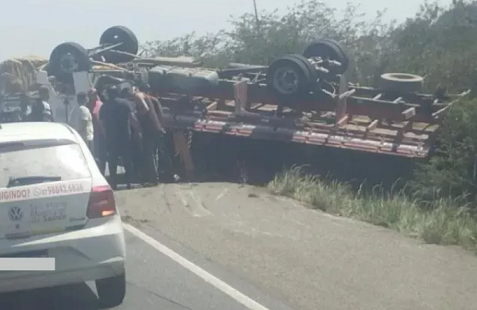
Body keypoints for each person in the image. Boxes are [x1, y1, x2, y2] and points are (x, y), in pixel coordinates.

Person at [100, 85, 142, 190]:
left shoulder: (104, 106)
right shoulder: (125, 103)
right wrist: (138, 130)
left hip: (111, 137)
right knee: (127, 159)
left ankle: (113, 183)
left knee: (112, 160)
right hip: (124, 136)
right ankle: (129, 183)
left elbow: (102, 123)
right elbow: (132, 118)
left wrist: (105, 135)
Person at [123, 86, 164, 186]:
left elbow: (145, 109)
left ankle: (153, 179)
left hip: (149, 128)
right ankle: (155, 177)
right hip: (155, 127)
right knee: (154, 153)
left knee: (149, 154)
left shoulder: (137, 96)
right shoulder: (146, 96)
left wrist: (136, 115)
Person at [87, 88, 107, 175]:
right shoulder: (87, 106)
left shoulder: (101, 104)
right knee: (93, 154)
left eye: (95, 93)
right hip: (92, 133)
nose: (94, 95)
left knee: (102, 153)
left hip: (101, 132)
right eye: (92, 94)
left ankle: (102, 172)